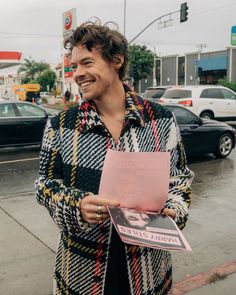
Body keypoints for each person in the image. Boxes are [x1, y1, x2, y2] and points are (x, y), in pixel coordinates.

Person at [35, 20, 194, 295]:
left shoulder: (161, 120)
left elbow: (180, 179)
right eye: (74, 66)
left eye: (87, 63)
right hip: (82, 272)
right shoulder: (61, 125)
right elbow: (44, 185)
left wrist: (174, 210)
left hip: (147, 271)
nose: (77, 74)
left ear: (116, 61)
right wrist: (77, 204)